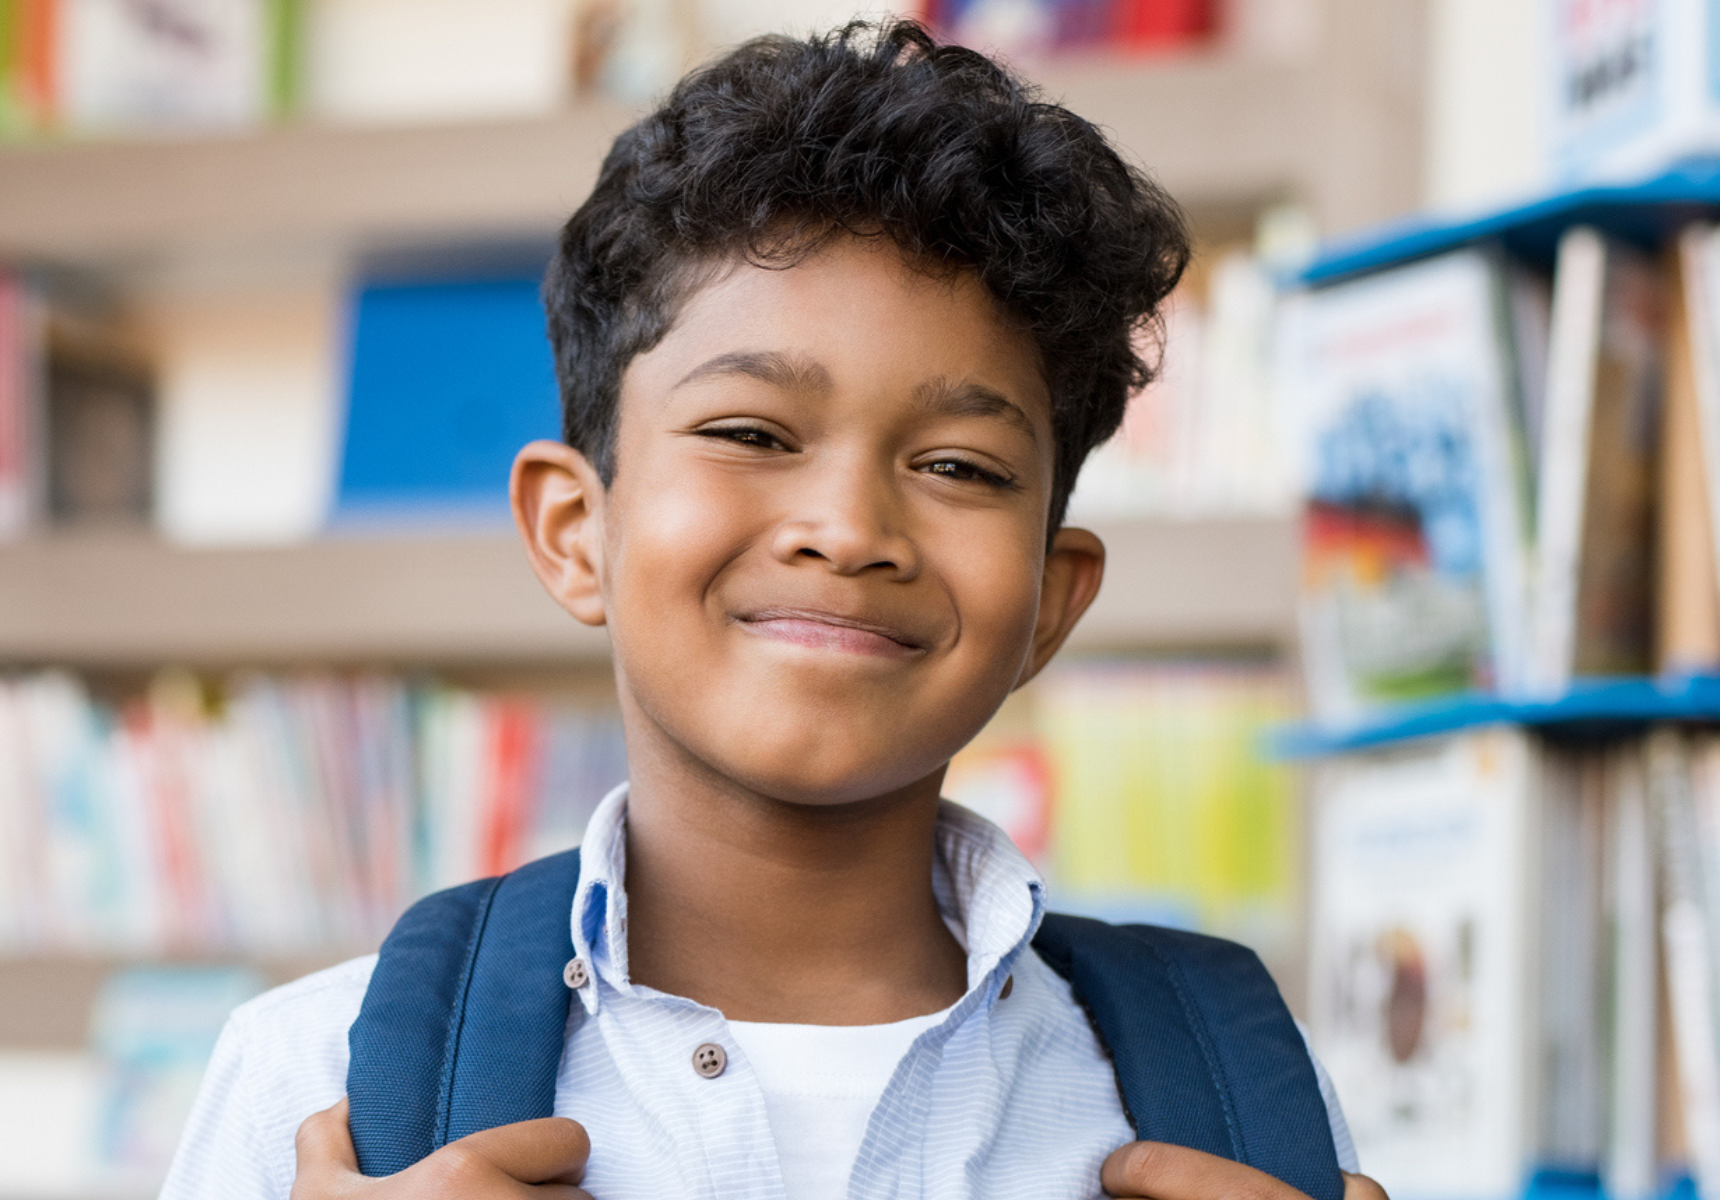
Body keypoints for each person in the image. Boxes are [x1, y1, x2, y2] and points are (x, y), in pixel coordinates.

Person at [160, 19, 1388, 1200]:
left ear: (1050, 603)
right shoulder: (317, 1091)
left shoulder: (1229, 1108)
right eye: (749, 433)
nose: (848, 529)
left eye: (958, 466)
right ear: (572, 530)